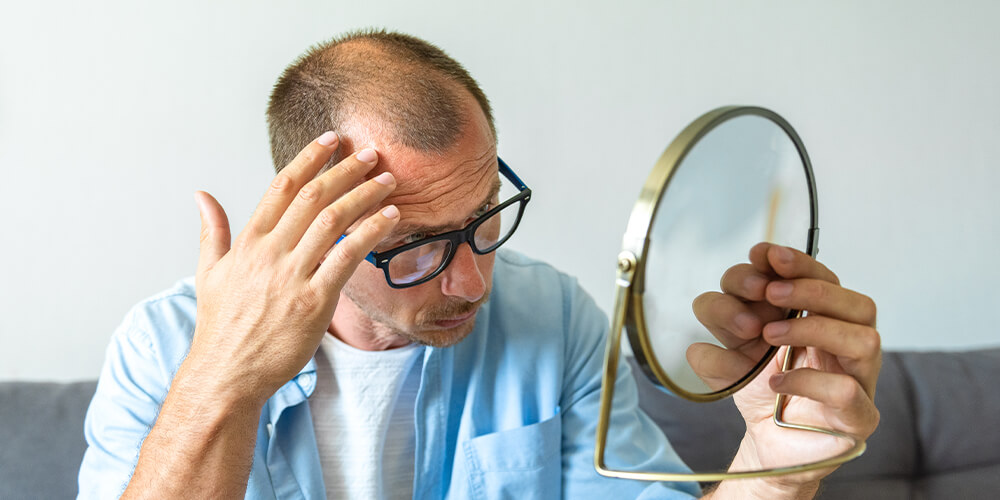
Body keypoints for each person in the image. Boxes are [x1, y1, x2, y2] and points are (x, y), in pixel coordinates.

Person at [77, 30, 880, 499]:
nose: (473, 283)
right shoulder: (161, 346)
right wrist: (225, 377)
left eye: (484, 219)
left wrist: (776, 471)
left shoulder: (554, 318)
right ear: (311, 227)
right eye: (416, 244)